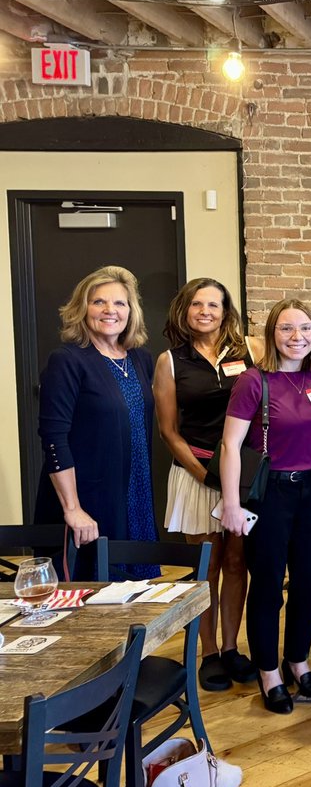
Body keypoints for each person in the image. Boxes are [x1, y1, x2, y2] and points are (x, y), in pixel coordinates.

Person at [220, 298, 311, 715]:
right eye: (286, 328)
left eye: (305, 328)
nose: (296, 337)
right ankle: (268, 671)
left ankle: (297, 660)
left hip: (310, 493)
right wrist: (232, 504)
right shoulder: (254, 381)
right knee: (267, 585)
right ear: (272, 334)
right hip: (270, 494)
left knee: (307, 583)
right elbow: (230, 446)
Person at [154, 278, 263, 692]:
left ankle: (232, 647)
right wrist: (205, 477)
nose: (205, 311)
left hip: (244, 475)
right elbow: (169, 432)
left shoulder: (250, 350)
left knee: (237, 563)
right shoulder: (170, 361)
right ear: (184, 310)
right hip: (196, 474)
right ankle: (209, 653)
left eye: (213, 305)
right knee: (207, 566)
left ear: (225, 311)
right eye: (197, 304)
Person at [35, 265, 159, 582]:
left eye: (119, 303)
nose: (109, 310)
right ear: (82, 308)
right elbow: (53, 437)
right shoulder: (67, 360)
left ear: (131, 311)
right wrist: (72, 508)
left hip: (135, 495)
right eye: (98, 302)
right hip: (89, 500)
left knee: (137, 593)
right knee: (93, 594)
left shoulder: (140, 359)